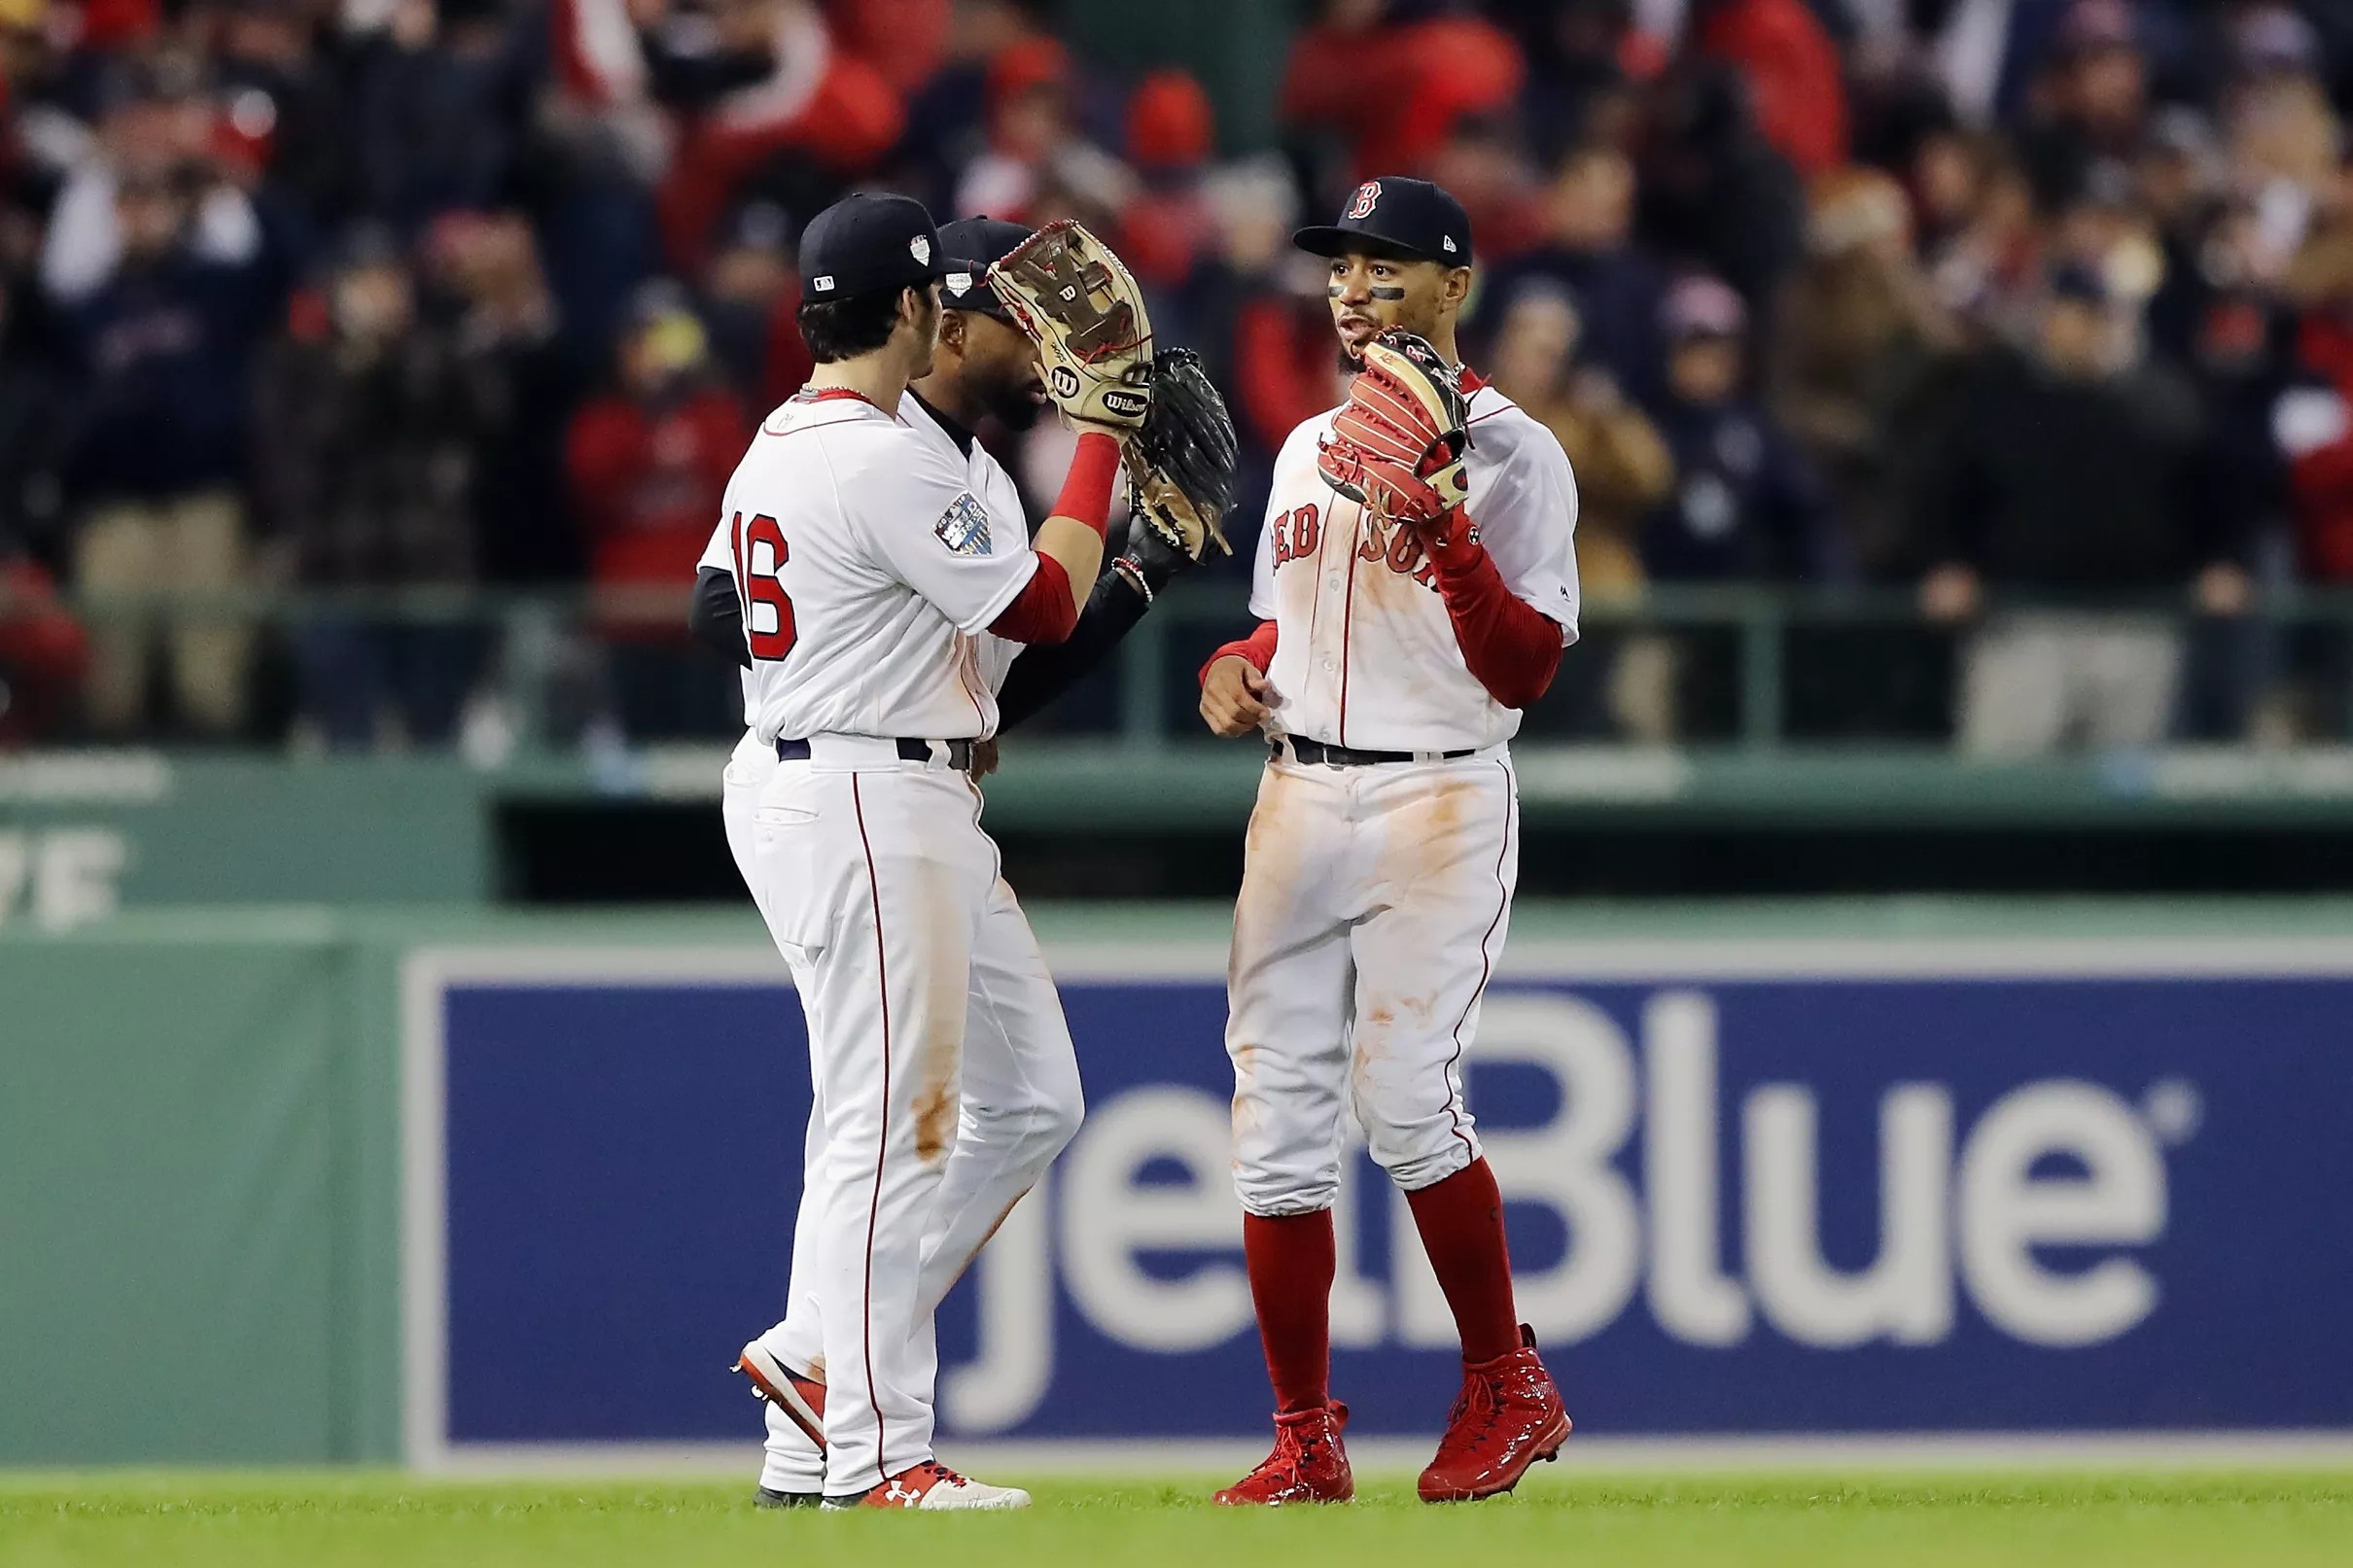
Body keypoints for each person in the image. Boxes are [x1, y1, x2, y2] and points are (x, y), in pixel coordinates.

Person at [691, 216, 1206, 1507]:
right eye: (1017, 322)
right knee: (890, 1122)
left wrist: (1136, 572)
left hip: (898, 772)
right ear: (932, 315)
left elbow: (738, 611)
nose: (1047, 350)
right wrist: (1098, 441)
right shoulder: (873, 456)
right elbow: (1030, 606)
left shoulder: (831, 446)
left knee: (1029, 1099)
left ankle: (813, 1375)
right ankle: (877, 1451)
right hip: (858, 782)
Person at [1197, 176, 1578, 1506]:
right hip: (1298, 792)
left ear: (1455, 286)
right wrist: (1234, 667)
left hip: (1436, 791)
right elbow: (1278, 622)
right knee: (1275, 1133)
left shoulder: (1517, 448)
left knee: (1410, 1098)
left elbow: (1529, 666)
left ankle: (1509, 1381)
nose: (1351, 287)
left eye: (1386, 264)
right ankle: (1306, 1435)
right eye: (1340, 265)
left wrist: (1451, 531)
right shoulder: (1306, 448)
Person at [1913, 262, 2245, 754]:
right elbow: (1950, 493)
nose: (2091, 327)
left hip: (2137, 621)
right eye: (2079, 314)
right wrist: (1951, 563)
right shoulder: (2000, 396)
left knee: (2124, 797)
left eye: (2103, 315)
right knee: (2001, 788)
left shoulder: (2167, 401)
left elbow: (2215, 496)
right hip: (2022, 621)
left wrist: (2221, 561)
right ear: (2049, 318)